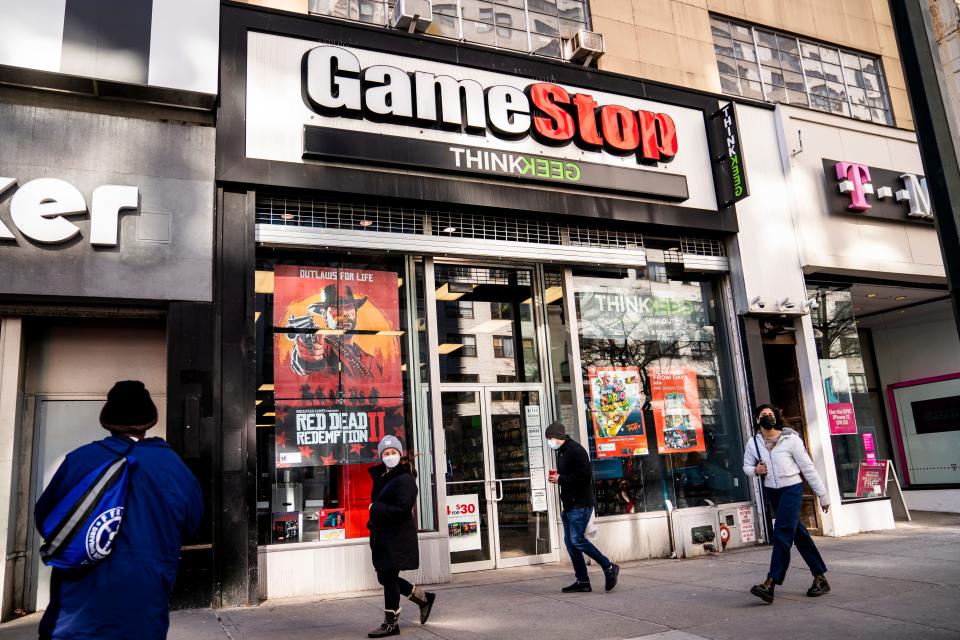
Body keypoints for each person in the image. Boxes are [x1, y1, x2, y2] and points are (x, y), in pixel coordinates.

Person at [35, 380, 203, 639]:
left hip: (73, 618)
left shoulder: (79, 460)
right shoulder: (173, 467)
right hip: (143, 615)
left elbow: (45, 519)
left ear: (107, 421)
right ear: (149, 421)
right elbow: (192, 524)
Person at [743, 404, 831, 603]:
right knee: (799, 534)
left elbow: (807, 468)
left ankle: (770, 582)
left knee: (782, 534)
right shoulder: (754, 443)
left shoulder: (791, 439)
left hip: (792, 489)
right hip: (772, 491)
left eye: (771, 414)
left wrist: (822, 495)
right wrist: (756, 471)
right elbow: (746, 466)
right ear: (757, 419)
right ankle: (820, 577)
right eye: (764, 415)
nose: (768, 417)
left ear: (776, 418)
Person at [367, 435, 436, 637]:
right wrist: (372, 519)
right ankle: (423, 598)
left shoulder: (405, 479)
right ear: (381, 456)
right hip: (383, 537)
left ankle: (391, 624)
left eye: (393, 453)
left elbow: (401, 508)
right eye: (386, 453)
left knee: (388, 579)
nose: (390, 456)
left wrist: (375, 508)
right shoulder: (383, 478)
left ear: (400, 455)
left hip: (396, 539)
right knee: (385, 577)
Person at [545, 421, 620, 593]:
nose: (549, 442)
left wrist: (561, 479)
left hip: (580, 504)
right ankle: (582, 580)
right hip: (570, 505)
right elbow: (570, 475)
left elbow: (584, 476)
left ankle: (608, 566)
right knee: (571, 544)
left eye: (550, 438)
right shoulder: (562, 452)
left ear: (558, 437)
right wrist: (559, 477)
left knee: (576, 540)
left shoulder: (576, 451)